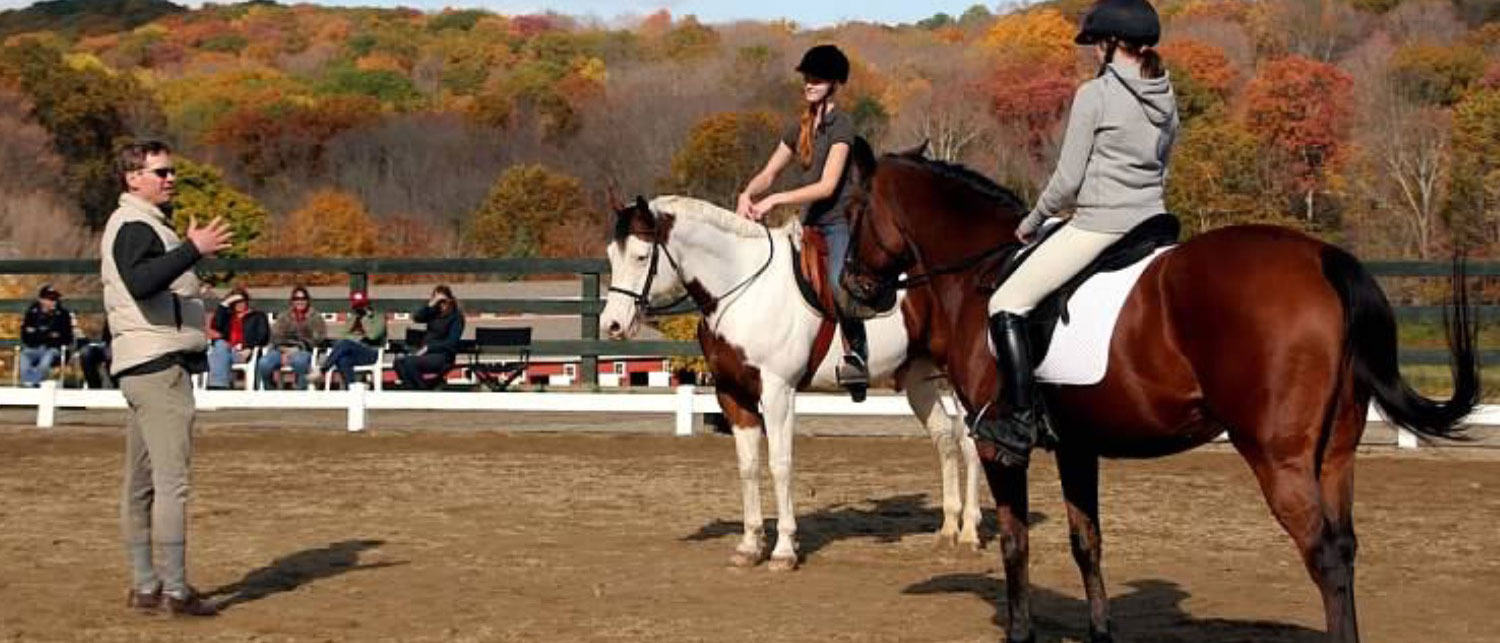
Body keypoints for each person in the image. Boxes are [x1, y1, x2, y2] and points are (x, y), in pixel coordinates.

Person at [980, 0, 1179, 468]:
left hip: (1101, 224)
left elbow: (1068, 180)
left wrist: (1032, 223)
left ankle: (1022, 418)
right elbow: (1164, 164)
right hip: (1153, 222)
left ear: (1112, 45)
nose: (1093, 53)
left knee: (1004, 304)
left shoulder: (1096, 95)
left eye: (1096, 44)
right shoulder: (1165, 94)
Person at [103, 139, 233, 616]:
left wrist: (185, 255)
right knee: (170, 483)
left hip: (140, 367)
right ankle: (175, 591)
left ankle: (145, 587)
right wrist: (192, 250)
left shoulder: (137, 225)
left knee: (139, 485)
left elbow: (145, 285)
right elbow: (142, 281)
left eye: (171, 171)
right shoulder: (135, 225)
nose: (170, 178)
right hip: (159, 370)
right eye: (160, 172)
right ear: (132, 178)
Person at [736, 44, 869, 402]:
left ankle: (858, 355)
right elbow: (770, 172)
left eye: (817, 79)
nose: (808, 84)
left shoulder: (844, 125)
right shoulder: (800, 126)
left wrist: (777, 199)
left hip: (839, 222)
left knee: (840, 282)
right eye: (807, 78)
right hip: (808, 223)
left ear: (833, 83)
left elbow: (827, 186)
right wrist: (748, 193)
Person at [393, 285, 463, 390]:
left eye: (443, 301)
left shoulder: (456, 317)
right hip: (426, 354)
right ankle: (412, 389)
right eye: (438, 301)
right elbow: (417, 318)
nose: (441, 304)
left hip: (442, 355)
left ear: (449, 300)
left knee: (409, 362)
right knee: (399, 362)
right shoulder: (433, 313)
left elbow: (452, 342)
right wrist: (430, 305)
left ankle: (423, 390)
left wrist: (429, 348)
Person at [257, 285, 325, 390]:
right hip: (281, 350)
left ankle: (300, 389)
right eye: (297, 299)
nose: (300, 302)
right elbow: (275, 336)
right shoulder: (284, 316)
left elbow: (318, 338)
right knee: (264, 363)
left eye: (303, 299)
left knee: (299, 361)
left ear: (307, 300)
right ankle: (269, 389)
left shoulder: (315, 317)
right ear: (292, 301)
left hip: (303, 350)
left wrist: (298, 348)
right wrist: (284, 350)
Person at [319, 290, 387, 389]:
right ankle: (352, 388)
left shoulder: (378, 317)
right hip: (353, 351)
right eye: (357, 306)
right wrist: (356, 333)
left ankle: (323, 370)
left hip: (371, 352)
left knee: (346, 344)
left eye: (362, 305)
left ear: (368, 304)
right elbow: (342, 336)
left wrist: (365, 318)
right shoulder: (352, 318)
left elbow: (373, 336)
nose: (359, 309)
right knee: (343, 359)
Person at [205, 286, 269, 389]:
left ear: (247, 301)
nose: (240, 304)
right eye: (235, 302)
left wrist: (249, 347)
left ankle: (217, 387)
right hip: (226, 351)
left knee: (217, 354)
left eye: (242, 301)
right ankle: (219, 386)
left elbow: (263, 335)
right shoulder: (227, 316)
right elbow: (216, 326)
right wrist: (224, 304)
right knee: (220, 346)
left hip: (244, 352)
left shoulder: (258, 316)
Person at [18, 283, 73, 387]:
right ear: (41, 300)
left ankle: (32, 385)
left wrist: (38, 334)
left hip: (53, 349)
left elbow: (66, 337)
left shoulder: (63, 315)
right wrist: (49, 335)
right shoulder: (31, 313)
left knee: (46, 359)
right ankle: (29, 384)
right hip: (34, 348)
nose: (53, 302)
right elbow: (25, 336)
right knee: (24, 356)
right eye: (50, 299)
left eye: (55, 299)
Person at [80, 319, 113, 390]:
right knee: (85, 353)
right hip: (108, 345)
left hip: (125, 348)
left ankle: (114, 384)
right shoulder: (112, 316)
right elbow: (106, 337)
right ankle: (94, 386)